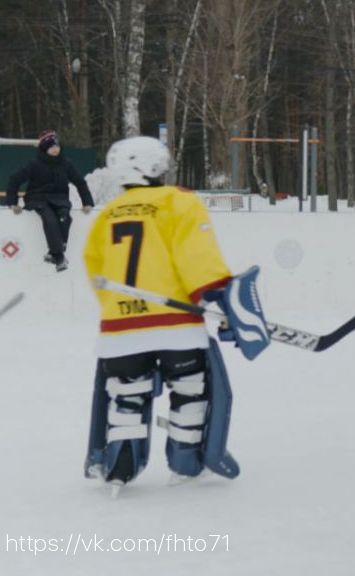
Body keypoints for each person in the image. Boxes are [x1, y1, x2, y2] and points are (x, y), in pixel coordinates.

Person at [82, 135, 271, 496]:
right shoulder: (178, 201)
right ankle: (186, 465)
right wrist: (218, 298)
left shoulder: (107, 214)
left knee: (127, 394)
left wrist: (118, 309)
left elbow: (95, 271)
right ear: (157, 168)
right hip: (175, 327)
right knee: (189, 390)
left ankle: (119, 470)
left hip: (120, 330)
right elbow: (196, 258)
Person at [5, 130, 94, 271]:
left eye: (57, 147)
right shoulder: (34, 164)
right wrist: (12, 203)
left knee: (65, 218)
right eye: (51, 147)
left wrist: (87, 202)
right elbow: (14, 179)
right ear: (45, 148)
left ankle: (54, 252)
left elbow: (80, 182)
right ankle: (59, 257)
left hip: (60, 199)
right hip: (38, 198)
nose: (55, 149)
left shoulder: (66, 164)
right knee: (50, 219)